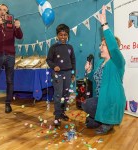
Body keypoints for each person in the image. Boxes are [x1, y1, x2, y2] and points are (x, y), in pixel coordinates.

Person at [82, 5, 126, 134]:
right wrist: (89, 71)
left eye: (103, 45)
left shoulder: (118, 61)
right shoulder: (101, 62)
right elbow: (94, 79)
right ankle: (101, 119)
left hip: (112, 101)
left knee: (88, 105)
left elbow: (113, 47)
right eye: (101, 44)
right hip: (102, 100)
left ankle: (108, 122)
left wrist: (104, 24)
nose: (100, 47)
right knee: (88, 117)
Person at [0, 4, 23, 114]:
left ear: (7, 12)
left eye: (4, 10)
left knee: (9, 81)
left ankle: (8, 104)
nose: (2, 11)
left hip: (10, 56)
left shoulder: (11, 25)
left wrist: (18, 27)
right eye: (0, 10)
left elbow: (20, 36)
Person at [46, 24, 76, 127]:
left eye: (65, 35)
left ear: (68, 35)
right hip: (57, 74)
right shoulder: (53, 47)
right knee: (58, 95)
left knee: (65, 95)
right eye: (61, 35)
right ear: (57, 35)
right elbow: (48, 60)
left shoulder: (70, 47)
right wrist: (54, 66)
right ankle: (57, 116)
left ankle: (62, 112)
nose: (63, 37)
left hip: (68, 73)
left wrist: (73, 73)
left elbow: (73, 61)